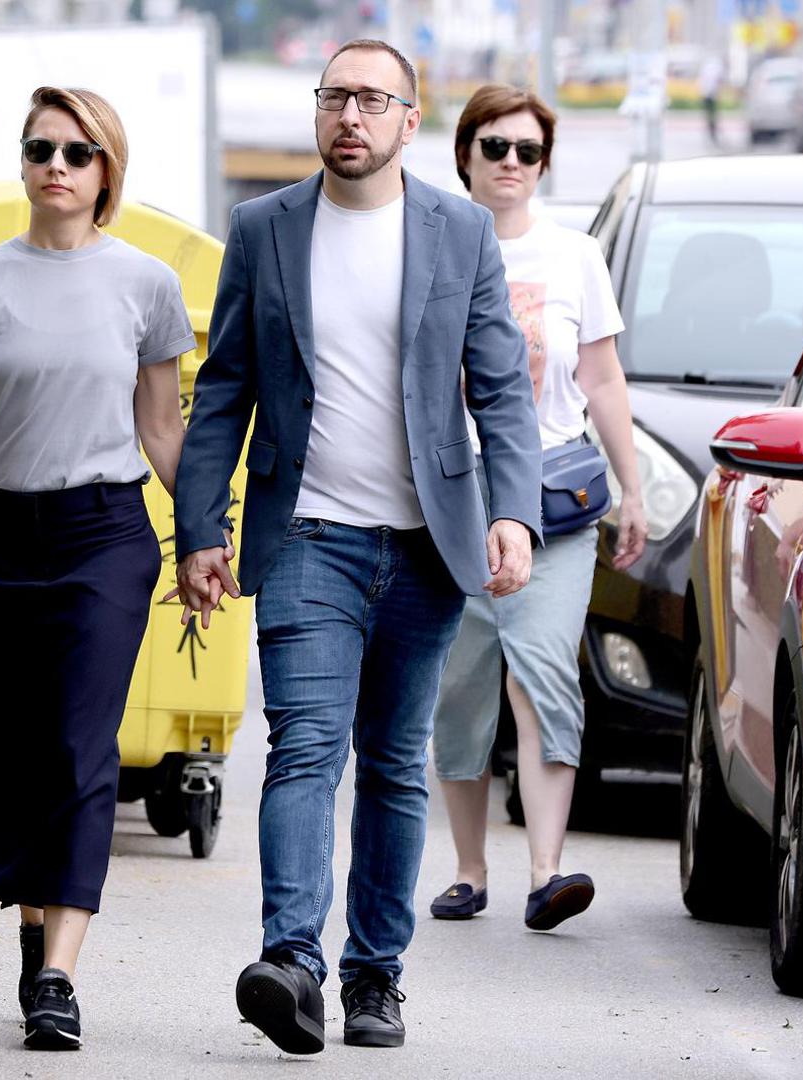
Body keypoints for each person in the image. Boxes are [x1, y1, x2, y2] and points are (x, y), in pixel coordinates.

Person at [171, 40, 542, 1055]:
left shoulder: (459, 232)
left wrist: (513, 508)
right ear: (318, 109)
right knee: (303, 749)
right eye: (335, 96)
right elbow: (223, 392)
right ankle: (291, 961)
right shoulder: (263, 228)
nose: (350, 116)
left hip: (425, 544)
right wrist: (199, 528)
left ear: (408, 120)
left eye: (372, 100)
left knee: (392, 765)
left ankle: (375, 977)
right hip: (306, 535)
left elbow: (501, 386)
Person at [0, 86, 200, 1052]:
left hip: (103, 536)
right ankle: (32, 936)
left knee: (79, 748)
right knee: (14, 757)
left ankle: (58, 973)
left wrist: (206, 543)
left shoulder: (146, 285)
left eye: (76, 152)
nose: (54, 165)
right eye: (39, 149)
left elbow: (160, 428)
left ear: (107, 172)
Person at [427, 85, 647, 932]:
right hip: (453, 498)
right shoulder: (436, 248)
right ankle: (470, 869)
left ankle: (547, 872)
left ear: (545, 164)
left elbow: (601, 379)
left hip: (553, 497)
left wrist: (631, 491)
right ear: (466, 156)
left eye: (526, 150)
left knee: (544, 671)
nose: (511, 162)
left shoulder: (574, 256)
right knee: (460, 683)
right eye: (495, 147)